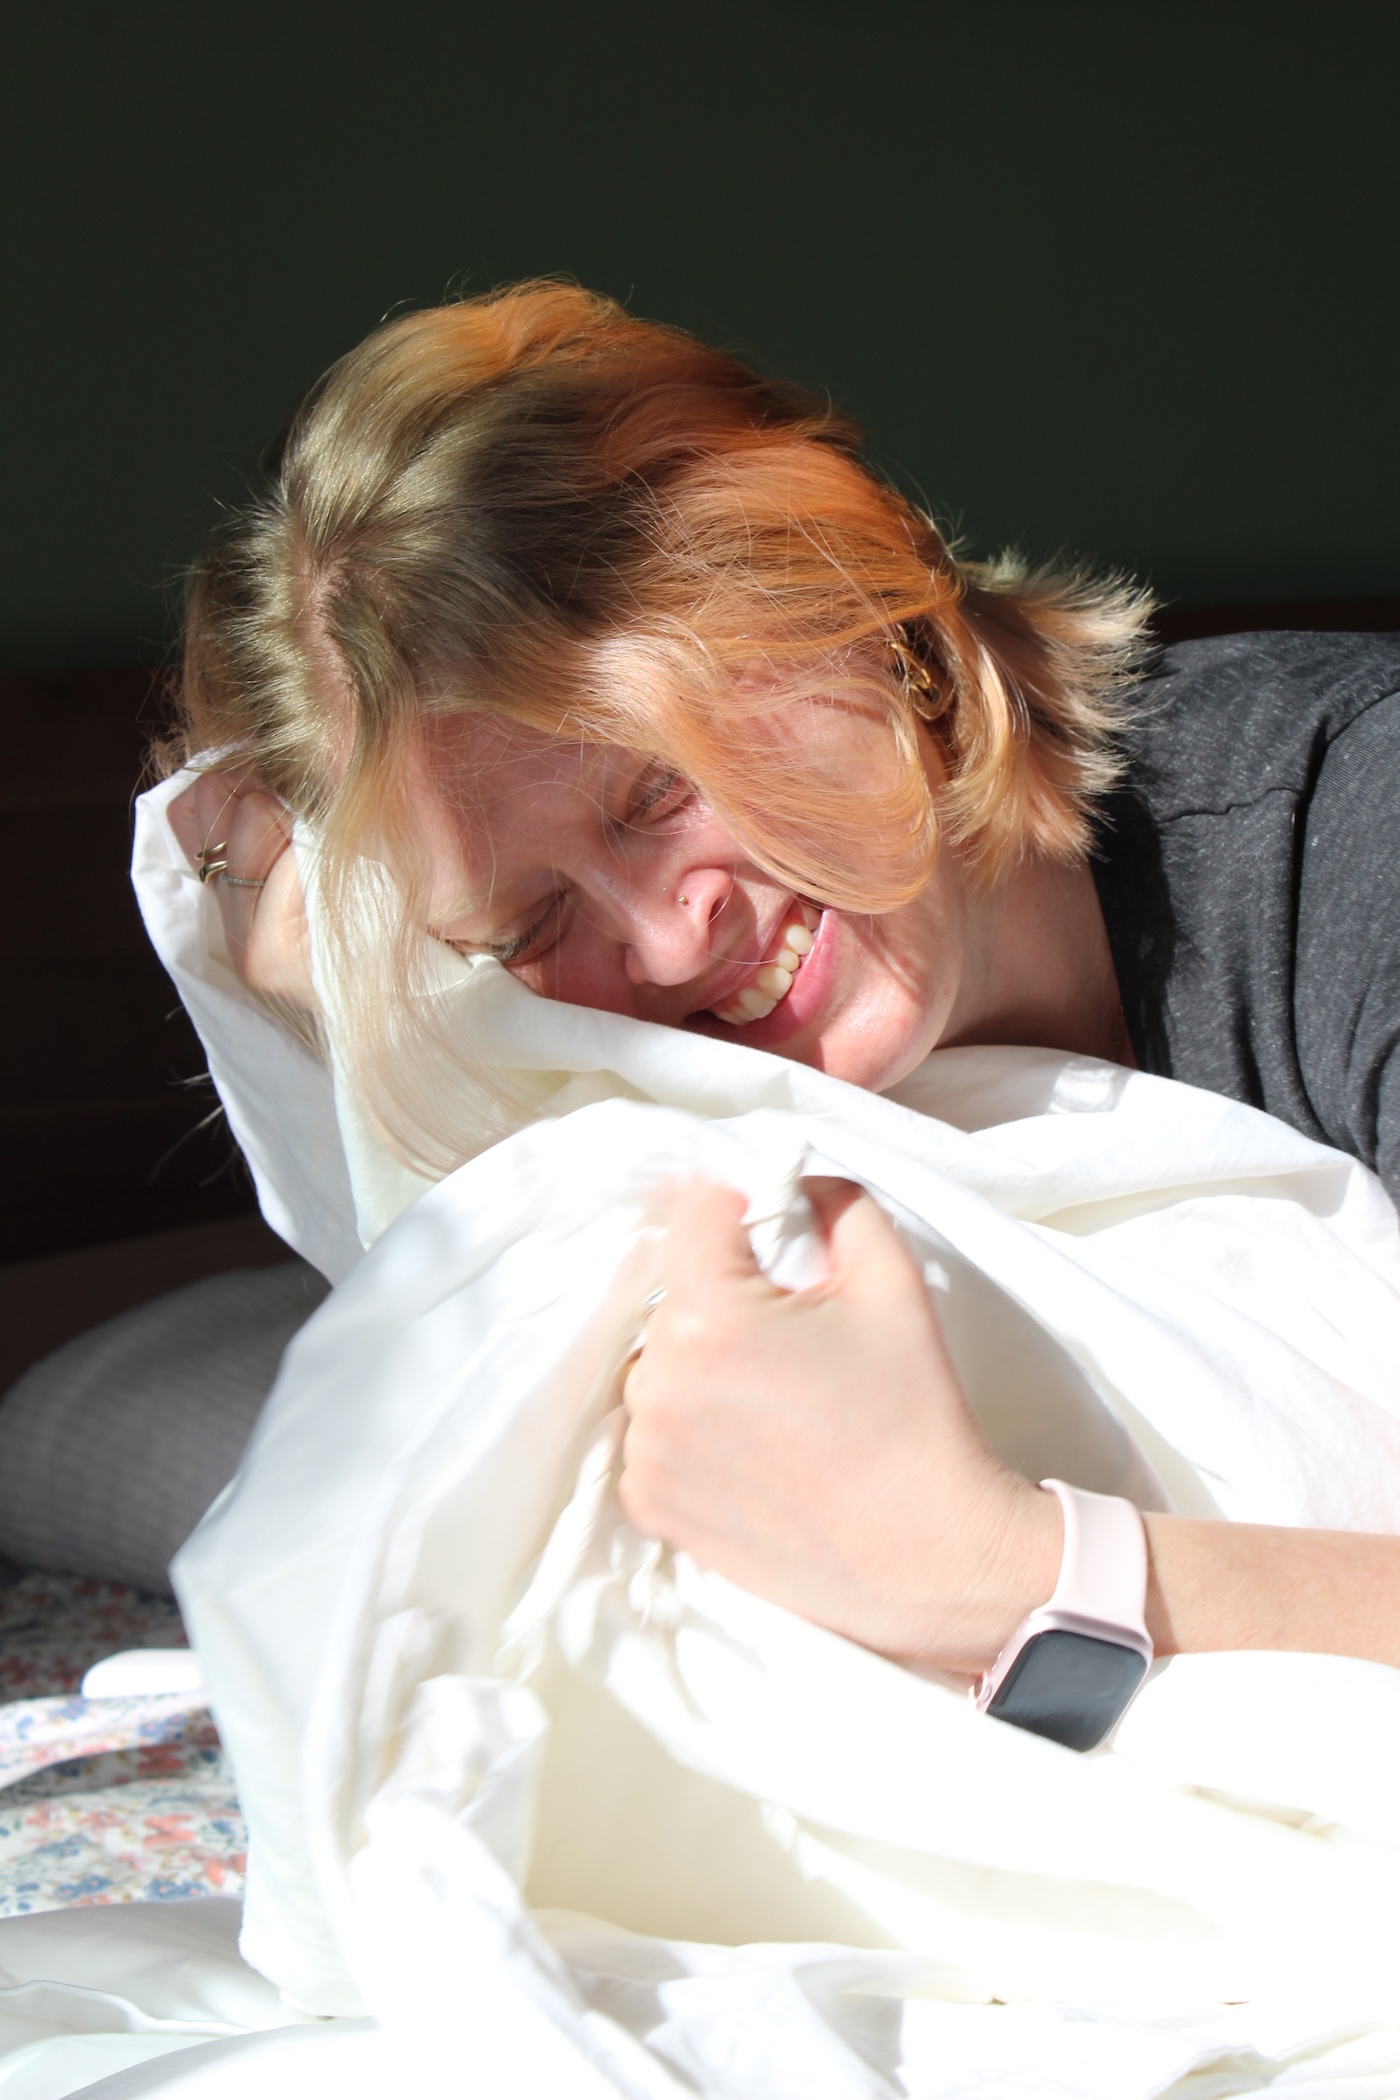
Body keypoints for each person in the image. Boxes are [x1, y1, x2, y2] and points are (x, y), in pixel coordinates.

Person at [165, 280, 1400, 1702]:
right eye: (531, 921)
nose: (668, 948)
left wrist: (1016, 1583)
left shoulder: (1353, 835)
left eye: (655, 790)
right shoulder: (662, 1119)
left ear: (839, 594)